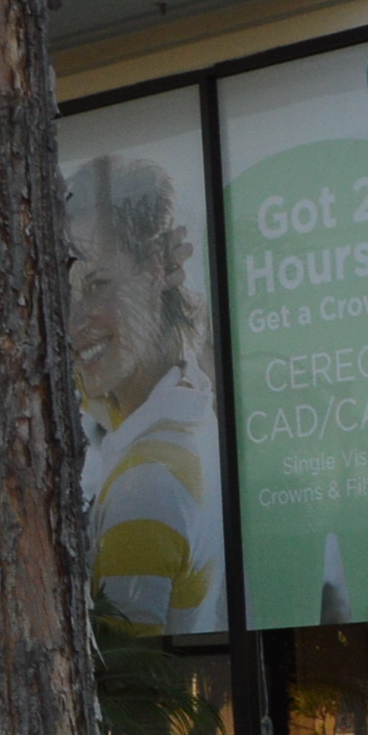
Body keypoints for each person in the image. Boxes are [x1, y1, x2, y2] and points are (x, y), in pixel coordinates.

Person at [66, 147, 224, 637]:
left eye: (96, 286)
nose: (73, 324)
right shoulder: (178, 396)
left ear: (157, 267)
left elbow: (129, 683)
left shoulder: (147, 485)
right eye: (65, 295)